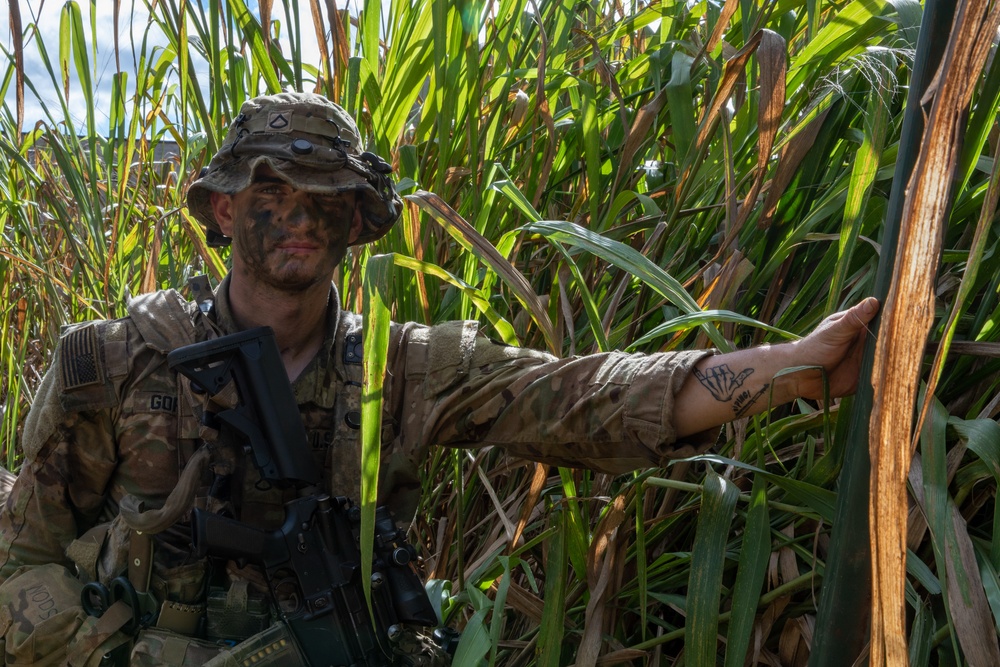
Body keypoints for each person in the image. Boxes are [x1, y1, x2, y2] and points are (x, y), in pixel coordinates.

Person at [0, 91, 879, 666]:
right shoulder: (116, 361)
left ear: (359, 219)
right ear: (225, 207)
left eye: (329, 196)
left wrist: (782, 368)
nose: (303, 215)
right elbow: (17, 562)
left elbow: (579, 398)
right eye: (277, 189)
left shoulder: (403, 369)